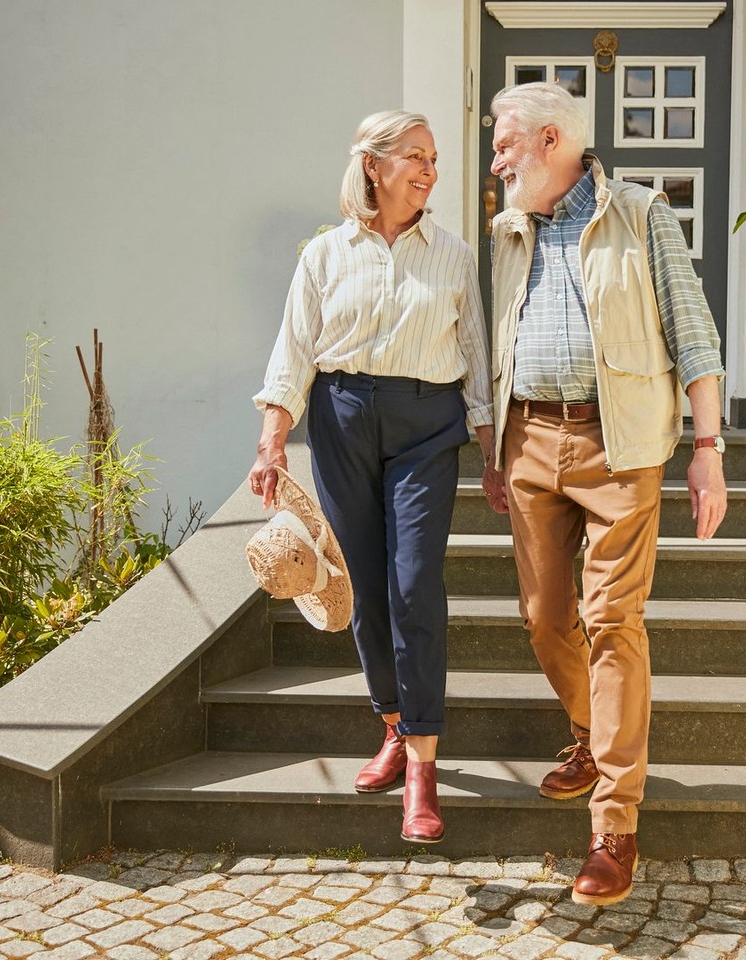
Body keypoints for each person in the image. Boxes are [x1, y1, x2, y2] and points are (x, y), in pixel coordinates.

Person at [482, 82, 728, 905]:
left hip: (619, 445)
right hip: (529, 440)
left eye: (504, 141)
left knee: (611, 620)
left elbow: (694, 333)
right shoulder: (507, 230)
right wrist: (496, 446)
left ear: (551, 140)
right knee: (545, 617)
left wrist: (708, 449)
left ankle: (614, 824)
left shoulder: (641, 213)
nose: (496, 157)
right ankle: (591, 735)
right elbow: (501, 334)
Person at [249, 109, 494, 845]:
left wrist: (492, 448)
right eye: (414, 156)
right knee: (358, 586)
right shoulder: (325, 255)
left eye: (433, 159)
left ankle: (423, 767)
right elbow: (293, 353)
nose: (429, 170)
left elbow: (476, 354)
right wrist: (272, 443)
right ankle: (392, 725)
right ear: (374, 167)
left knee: (414, 582)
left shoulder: (451, 255)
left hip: (428, 424)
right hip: (344, 416)